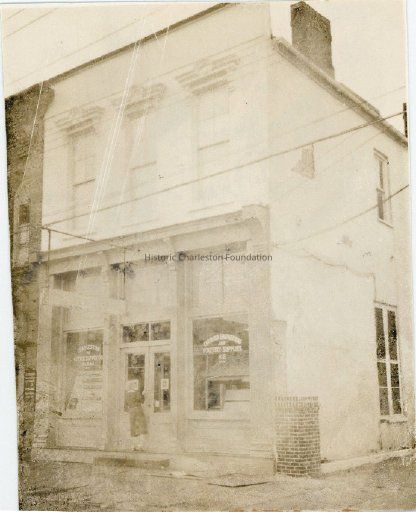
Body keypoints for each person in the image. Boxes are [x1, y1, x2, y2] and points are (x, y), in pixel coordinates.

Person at [124, 378, 148, 450]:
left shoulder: (126, 394)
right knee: (142, 427)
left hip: (131, 411)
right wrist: (144, 394)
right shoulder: (136, 392)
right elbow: (141, 400)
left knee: (133, 428)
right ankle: (140, 446)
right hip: (138, 409)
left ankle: (133, 446)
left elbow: (126, 405)